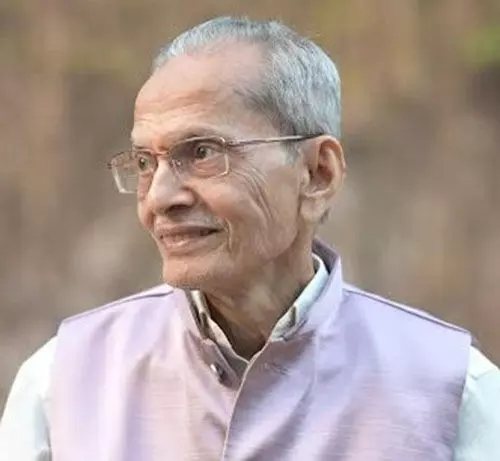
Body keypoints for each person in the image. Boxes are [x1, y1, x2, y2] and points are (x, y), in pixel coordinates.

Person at [1, 16, 499, 461]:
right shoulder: (61, 381)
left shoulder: (453, 392)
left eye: (202, 152)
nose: (160, 198)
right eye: (146, 163)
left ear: (318, 174)